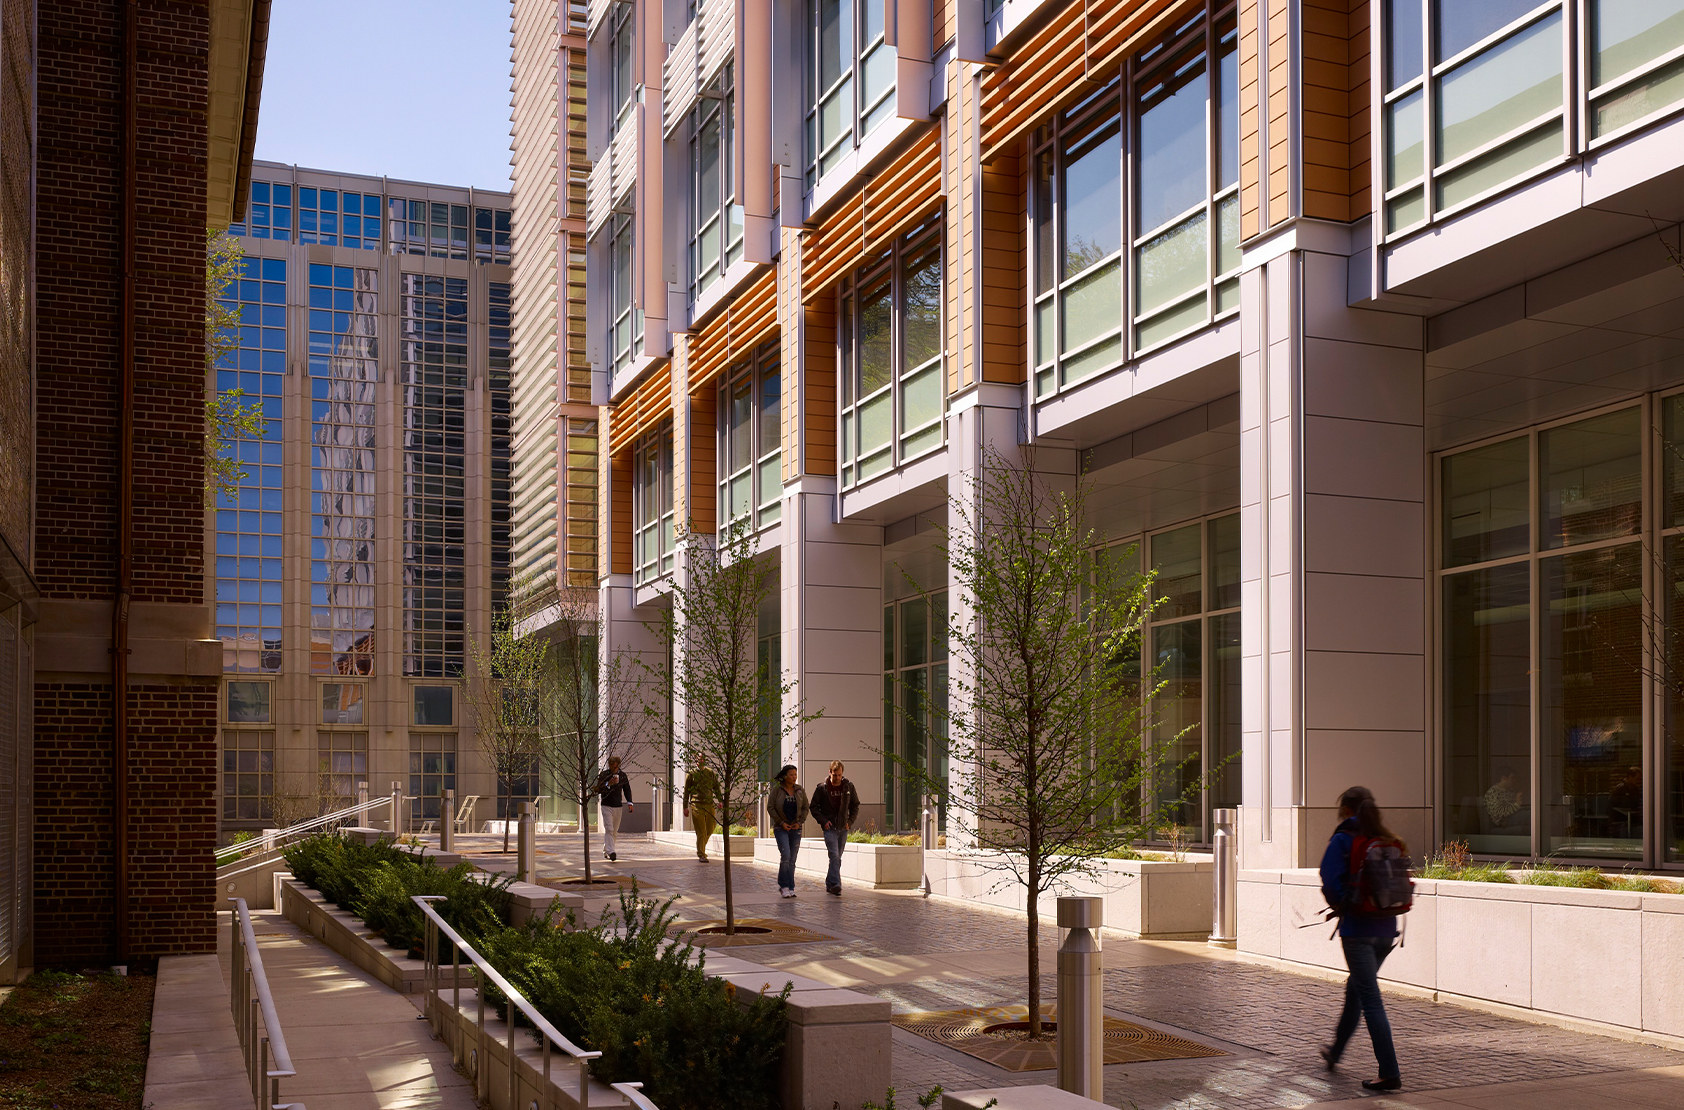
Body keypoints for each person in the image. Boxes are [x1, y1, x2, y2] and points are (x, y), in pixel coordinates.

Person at [1319, 785, 1404, 1093]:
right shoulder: (1385, 838)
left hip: (1358, 931)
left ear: (1345, 810)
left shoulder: (1344, 839)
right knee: (1356, 989)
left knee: (1370, 999)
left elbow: (1328, 879)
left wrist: (1342, 904)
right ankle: (1335, 1052)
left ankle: (1389, 1071)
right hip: (1386, 930)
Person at [810, 760, 860, 896]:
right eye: (834, 775)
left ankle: (830, 883)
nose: (837, 778)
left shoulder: (848, 787)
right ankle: (837, 884)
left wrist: (850, 821)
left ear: (842, 774)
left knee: (837, 857)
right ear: (830, 773)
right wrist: (823, 821)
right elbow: (813, 807)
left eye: (839, 775)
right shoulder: (822, 788)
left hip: (843, 827)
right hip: (829, 827)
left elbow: (855, 805)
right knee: (834, 855)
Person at [767, 763, 809, 898]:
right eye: (791, 775)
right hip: (781, 828)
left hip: (795, 828)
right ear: (785, 776)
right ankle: (783, 886)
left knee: (792, 859)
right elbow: (770, 807)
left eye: (795, 774)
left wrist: (799, 822)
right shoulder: (777, 790)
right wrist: (781, 822)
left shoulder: (799, 790)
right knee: (786, 855)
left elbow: (805, 807)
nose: (794, 777)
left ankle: (791, 887)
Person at [595, 756, 635, 862]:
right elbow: (598, 789)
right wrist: (609, 784)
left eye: (615, 766)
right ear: (609, 765)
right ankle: (611, 851)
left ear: (618, 765)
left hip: (618, 806)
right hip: (606, 805)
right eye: (612, 766)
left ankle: (606, 850)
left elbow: (627, 789)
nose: (614, 768)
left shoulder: (622, 776)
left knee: (614, 832)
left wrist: (630, 802)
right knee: (609, 828)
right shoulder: (604, 775)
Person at [682, 764, 721, 861]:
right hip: (696, 804)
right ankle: (701, 854)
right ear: (696, 761)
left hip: (709, 804)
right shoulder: (691, 774)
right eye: (699, 758)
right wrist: (685, 806)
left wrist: (720, 800)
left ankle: (701, 846)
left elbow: (716, 787)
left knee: (711, 828)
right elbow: (686, 791)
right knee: (701, 831)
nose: (701, 760)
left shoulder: (710, 773)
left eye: (703, 758)